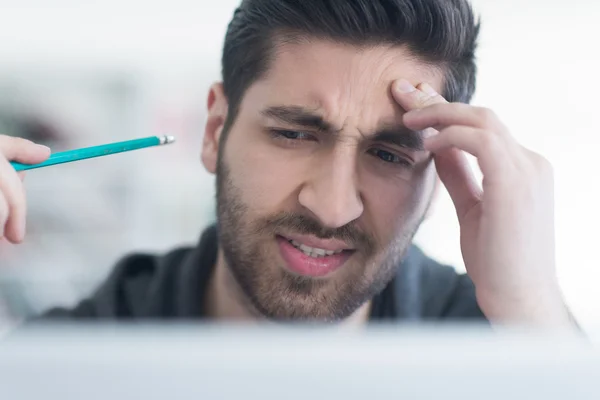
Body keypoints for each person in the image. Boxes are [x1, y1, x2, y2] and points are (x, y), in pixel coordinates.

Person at [0, 0, 576, 326]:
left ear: (437, 179)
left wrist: (531, 306)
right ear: (214, 130)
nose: (330, 205)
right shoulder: (78, 355)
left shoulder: (508, 343)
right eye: (295, 134)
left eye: (387, 153)